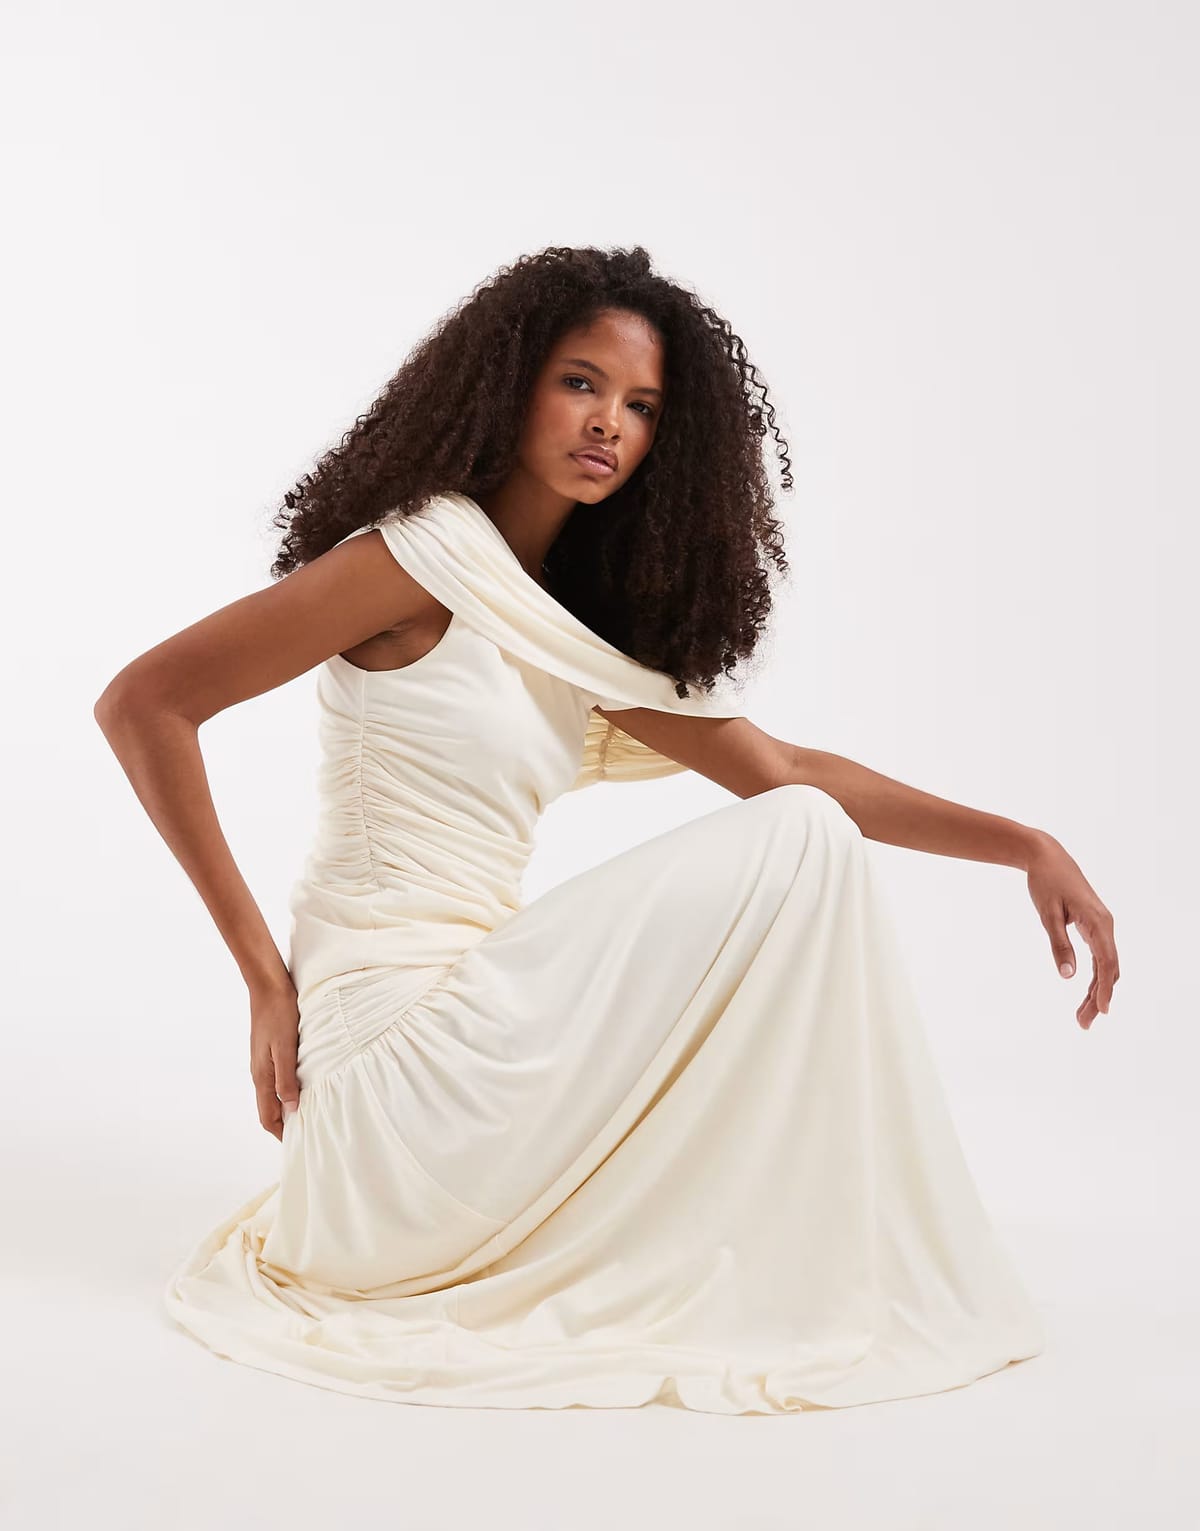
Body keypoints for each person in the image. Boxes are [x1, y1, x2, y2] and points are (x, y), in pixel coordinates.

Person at [94, 243, 1119, 1414]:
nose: (608, 425)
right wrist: (263, 976)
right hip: (389, 1074)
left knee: (802, 824)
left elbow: (787, 769)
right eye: (581, 383)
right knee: (801, 836)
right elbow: (146, 704)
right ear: (509, 384)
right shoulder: (413, 561)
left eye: (641, 407)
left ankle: (795, 1235)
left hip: (475, 1059)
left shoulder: (567, 633)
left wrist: (1026, 843)